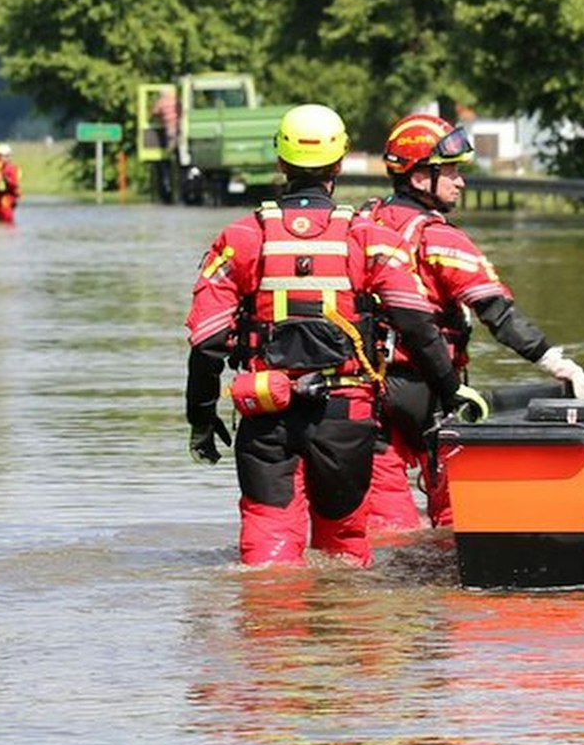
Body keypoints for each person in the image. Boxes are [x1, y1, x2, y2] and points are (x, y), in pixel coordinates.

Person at [183, 104, 461, 568]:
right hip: (346, 415)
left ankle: (270, 633)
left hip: (265, 413)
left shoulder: (240, 237)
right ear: (340, 163)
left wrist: (201, 416)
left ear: (279, 162)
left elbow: (207, 341)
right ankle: (342, 633)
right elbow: (417, 324)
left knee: (266, 551)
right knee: (346, 548)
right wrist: (452, 392)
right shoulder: (369, 237)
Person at [359, 112, 584, 533]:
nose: (460, 182)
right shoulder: (439, 237)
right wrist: (556, 362)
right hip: (431, 390)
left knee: (386, 531)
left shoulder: (363, 220)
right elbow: (497, 313)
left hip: (368, 395)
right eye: (450, 172)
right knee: (457, 524)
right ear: (418, 178)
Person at [0, 143, 21, 224]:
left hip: (7, 200)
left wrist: (5, 178)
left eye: (0, 156)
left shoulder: (13, 169)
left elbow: (14, 184)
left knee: (7, 223)